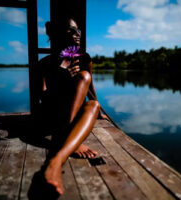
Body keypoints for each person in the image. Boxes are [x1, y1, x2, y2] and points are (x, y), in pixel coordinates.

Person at [39, 17, 108, 195]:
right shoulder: (45, 64)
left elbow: (90, 88)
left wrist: (101, 112)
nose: (78, 34)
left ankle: (57, 158)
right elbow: (42, 98)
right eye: (73, 30)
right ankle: (60, 156)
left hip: (74, 115)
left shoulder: (84, 58)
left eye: (79, 31)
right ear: (60, 33)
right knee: (83, 77)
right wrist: (61, 78)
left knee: (93, 104)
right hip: (54, 115)